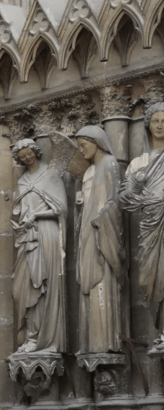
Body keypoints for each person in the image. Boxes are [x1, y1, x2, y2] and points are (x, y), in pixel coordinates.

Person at [10, 138, 67, 354]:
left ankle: (46, 339)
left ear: (36, 151)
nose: (26, 157)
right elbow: (19, 209)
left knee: (44, 285)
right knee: (25, 288)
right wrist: (21, 219)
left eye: (28, 153)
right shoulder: (22, 181)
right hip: (28, 237)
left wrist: (36, 215)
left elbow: (61, 209)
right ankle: (32, 337)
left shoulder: (50, 175)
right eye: (21, 156)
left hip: (47, 234)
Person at [74, 126, 124, 354]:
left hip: (102, 231)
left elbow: (114, 201)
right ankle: (92, 342)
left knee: (102, 281)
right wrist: (80, 206)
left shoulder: (110, 163)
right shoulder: (87, 172)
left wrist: (101, 219)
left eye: (84, 146)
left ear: (97, 142)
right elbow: (87, 202)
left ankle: (106, 342)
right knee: (89, 284)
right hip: (87, 231)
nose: (82, 151)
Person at [121, 103, 164, 351]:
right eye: (155, 120)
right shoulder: (139, 162)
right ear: (147, 125)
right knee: (152, 282)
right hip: (150, 229)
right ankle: (158, 332)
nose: (160, 125)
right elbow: (126, 201)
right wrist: (137, 184)